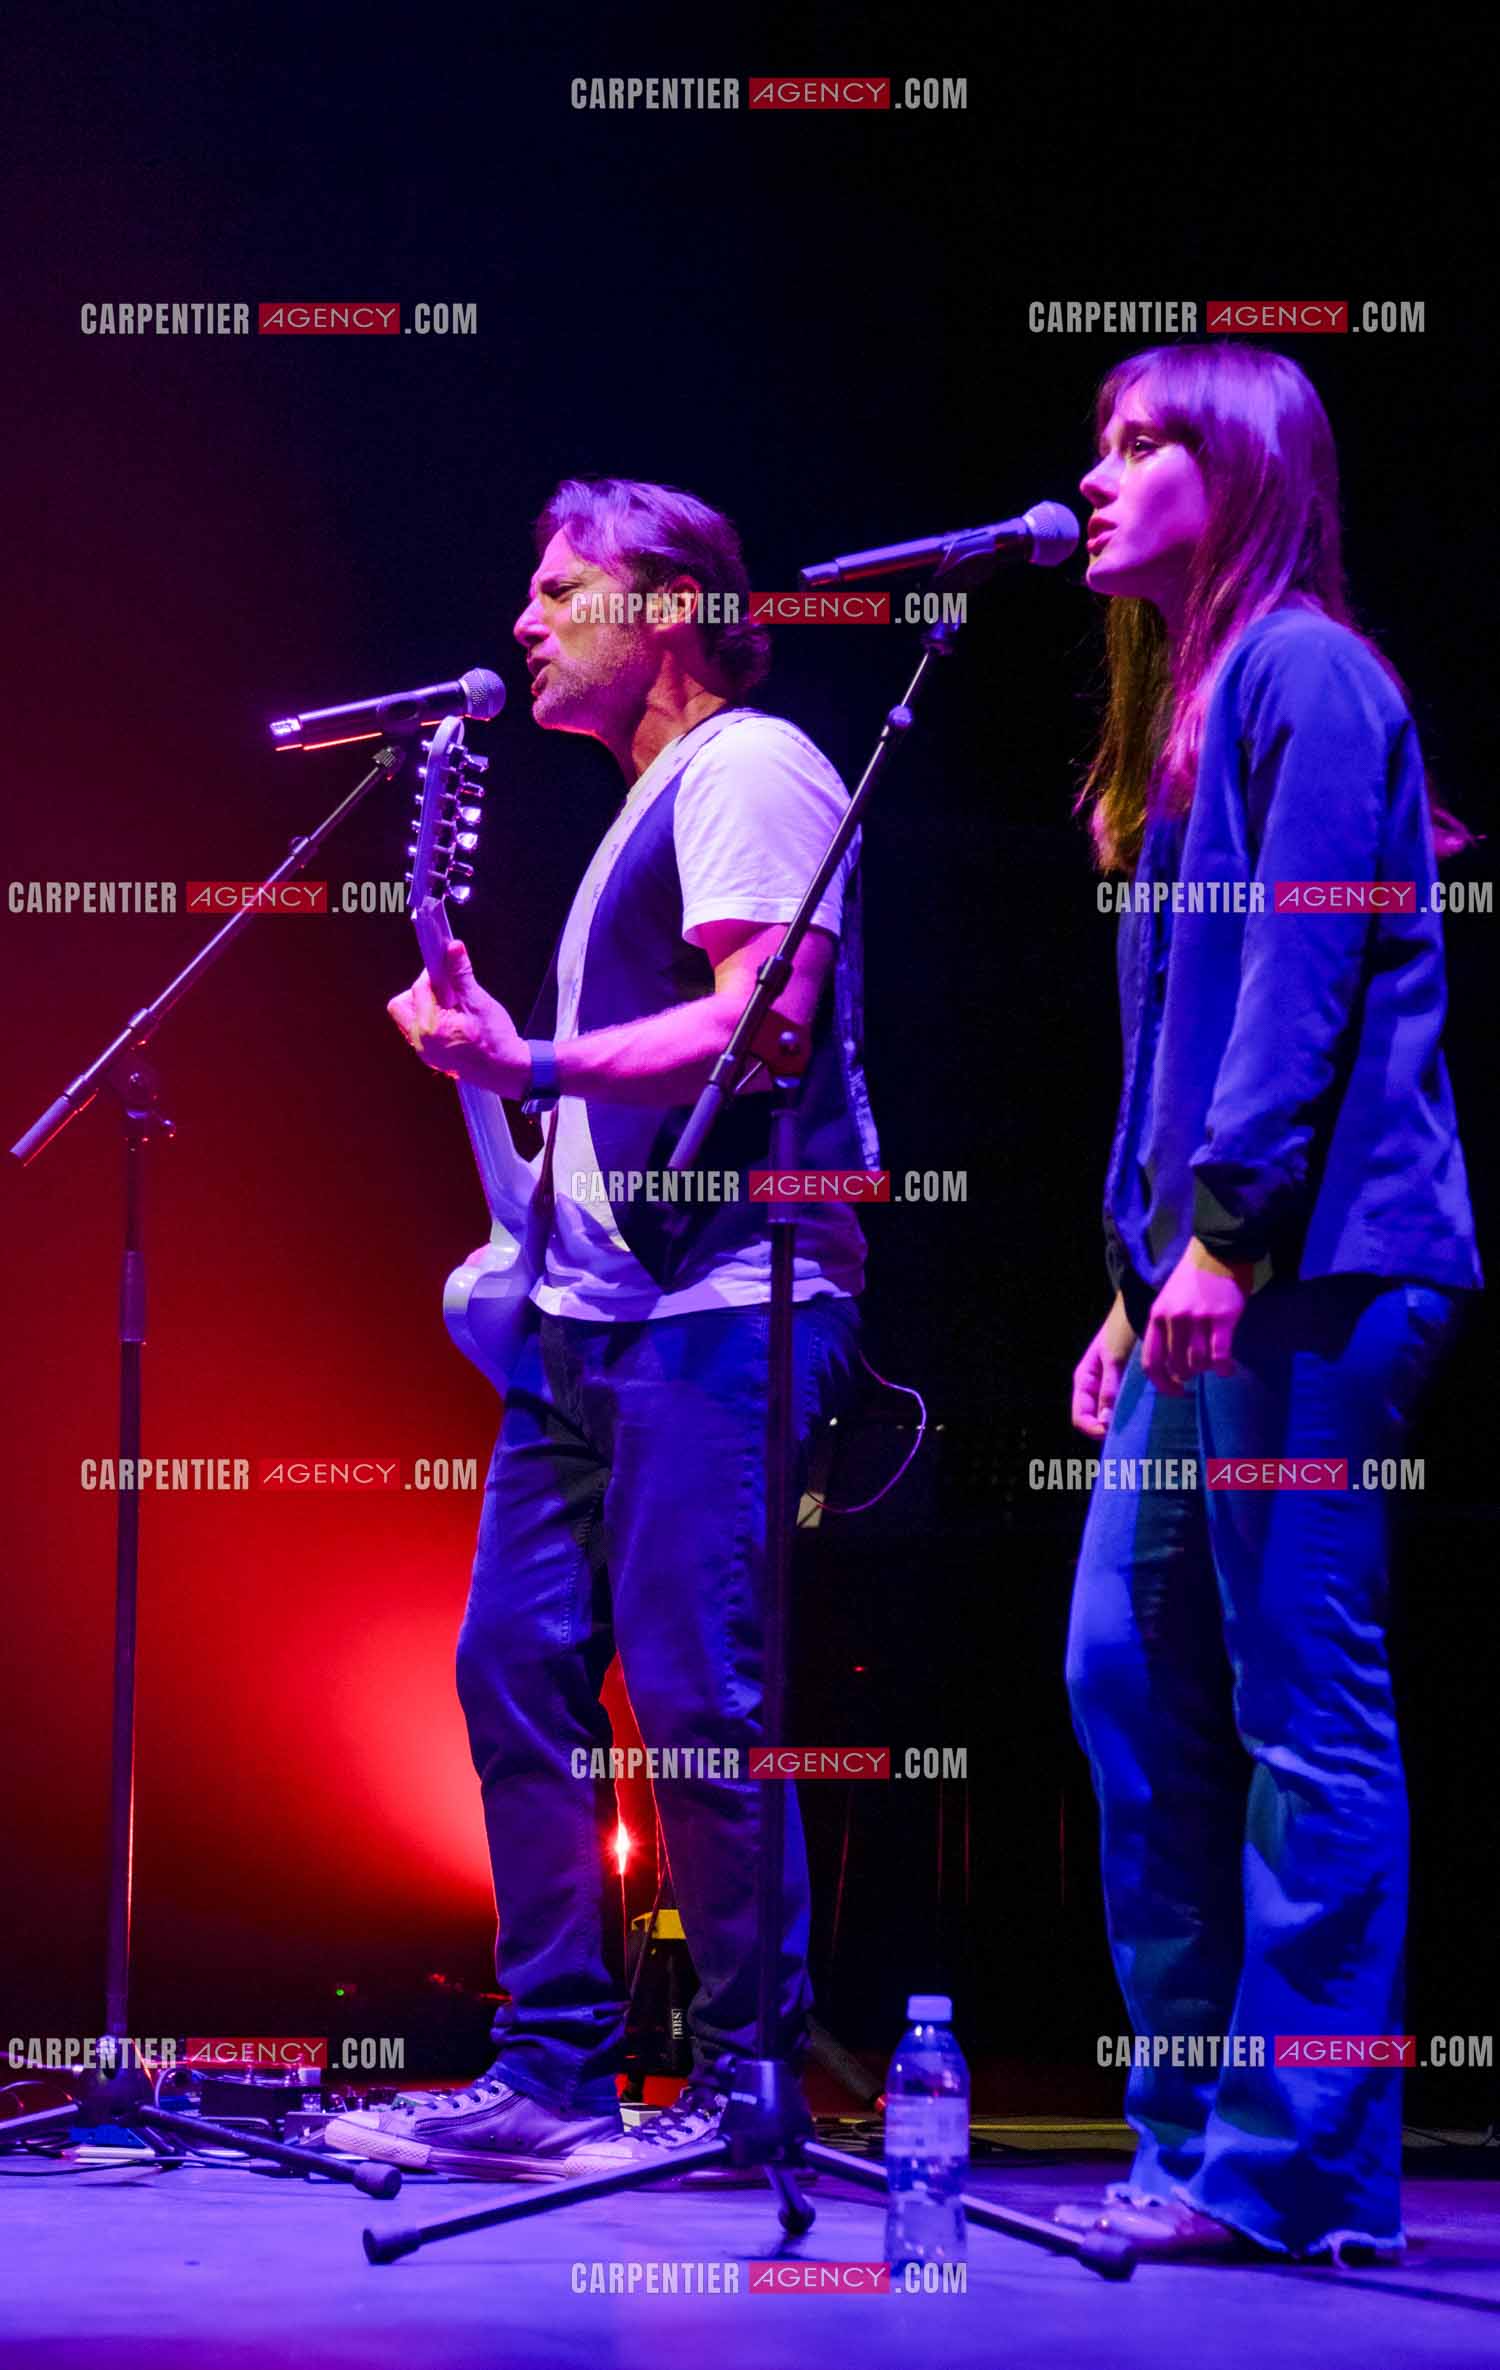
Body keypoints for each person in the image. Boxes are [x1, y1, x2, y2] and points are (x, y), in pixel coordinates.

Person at [325, 478, 876, 2181]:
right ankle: (552, 2070)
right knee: (514, 1664)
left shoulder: (750, 768)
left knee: (698, 1690)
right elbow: (608, 1115)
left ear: (672, 604)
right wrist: (497, 1066)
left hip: (723, 1301)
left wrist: (534, 1061)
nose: (524, 617)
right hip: (592, 1316)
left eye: (562, 586)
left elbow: (761, 1023)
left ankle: (748, 2080)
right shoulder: (648, 804)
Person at [1055, 344, 1482, 2263]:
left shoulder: (1308, 668)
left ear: (1242, 475)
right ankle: (1189, 2134)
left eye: (1146, 446)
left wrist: (1223, 1233)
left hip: (1320, 1266)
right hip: (1206, 1281)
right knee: (1125, 1665)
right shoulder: (1189, 709)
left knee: (1306, 1707)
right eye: (1100, 446)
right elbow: (1187, 1028)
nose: (1100, 478)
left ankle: (1301, 2171)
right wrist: (1142, 1279)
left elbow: (1299, 986)